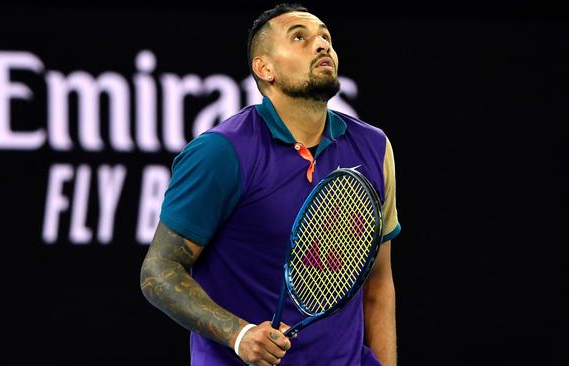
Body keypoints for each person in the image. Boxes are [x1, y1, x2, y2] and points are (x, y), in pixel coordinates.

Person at [140, 3, 401, 365]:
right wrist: (239, 334)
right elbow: (159, 272)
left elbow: (377, 282)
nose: (322, 45)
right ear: (265, 68)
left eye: (326, 37)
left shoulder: (373, 147)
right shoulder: (222, 152)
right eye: (300, 37)